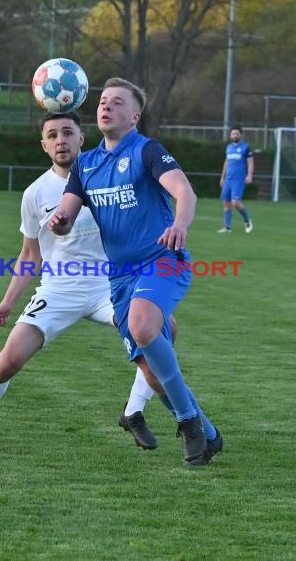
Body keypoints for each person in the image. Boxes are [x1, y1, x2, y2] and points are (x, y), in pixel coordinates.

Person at [0, 110, 167, 450]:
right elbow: (29, 255)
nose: (60, 140)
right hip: (58, 288)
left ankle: (133, 413)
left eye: (67, 132)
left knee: (163, 328)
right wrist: (7, 302)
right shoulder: (36, 193)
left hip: (108, 286)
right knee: (9, 360)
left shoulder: (108, 175)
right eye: (52, 135)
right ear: (44, 145)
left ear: (82, 138)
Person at [48, 77, 223, 466]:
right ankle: (208, 434)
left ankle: (188, 422)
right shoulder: (86, 164)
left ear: (134, 116)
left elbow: (184, 191)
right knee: (153, 370)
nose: (106, 106)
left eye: (117, 102)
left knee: (144, 326)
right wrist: (59, 222)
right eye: (102, 101)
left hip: (162, 258)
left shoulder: (147, 151)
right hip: (121, 278)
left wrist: (180, 224)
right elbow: (67, 213)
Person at [217, 126, 254, 234]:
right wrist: (222, 177)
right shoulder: (228, 147)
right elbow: (227, 162)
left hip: (238, 179)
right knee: (226, 203)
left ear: (241, 135)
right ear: (230, 135)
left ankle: (247, 221)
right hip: (228, 179)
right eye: (233, 134)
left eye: (237, 134)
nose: (235, 135)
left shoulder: (245, 147)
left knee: (235, 202)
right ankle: (227, 227)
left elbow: (250, 162)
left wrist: (249, 175)